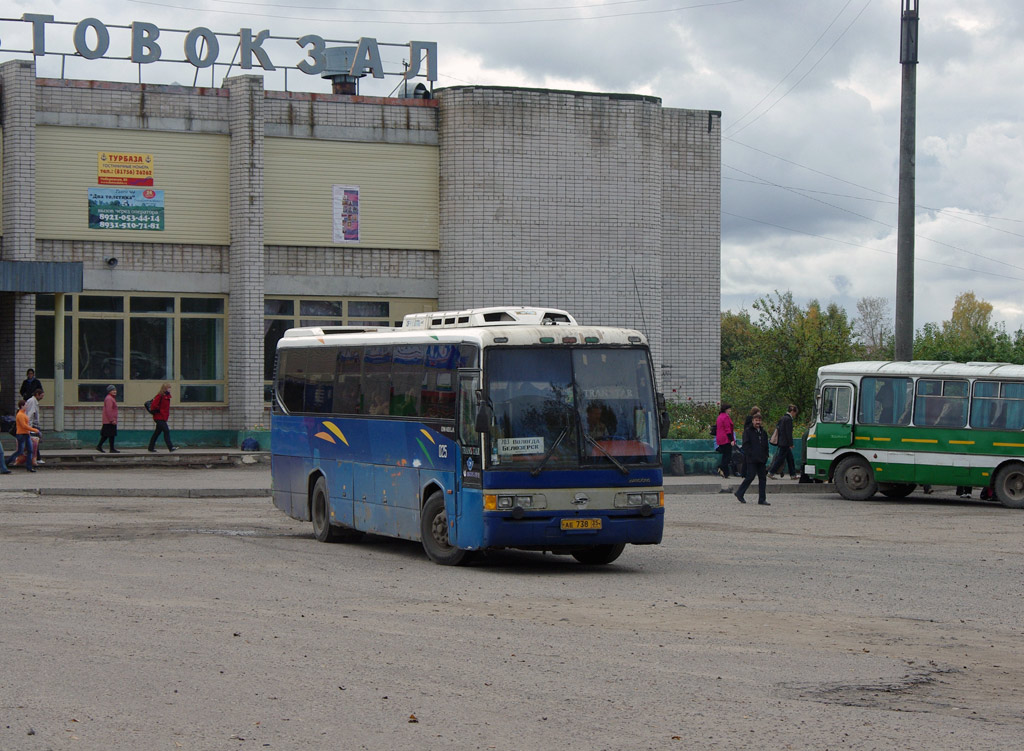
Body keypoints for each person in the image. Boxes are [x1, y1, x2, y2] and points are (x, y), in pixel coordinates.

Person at [735, 412, 770, 505]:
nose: (757, 422)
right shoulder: (748, 431)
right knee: (750, 476)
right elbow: (746, 444)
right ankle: (740, 493)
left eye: (759, 420)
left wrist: (766, 455)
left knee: (763, 478)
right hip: (752, 459)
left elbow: (766, 445)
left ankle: (762, 499)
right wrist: (750, 454)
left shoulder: (763, 432)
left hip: (762, 459)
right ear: (753, 421)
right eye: (756, 420)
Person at [768, 404, 799, 480]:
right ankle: (771, 472)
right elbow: (788, 433)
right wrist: (791, 443)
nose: (795, 415)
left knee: (790, 459)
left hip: (781, 442)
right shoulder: (788, 419)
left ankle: (793, 474)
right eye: (795, 413)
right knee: (780, 459)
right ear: (792, 411)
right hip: (785, 443)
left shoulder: (783, 418)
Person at [10, 400, 39, 473]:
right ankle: (6, 462)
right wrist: (34, 430)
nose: (27, 406)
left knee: (30, 450)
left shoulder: (23, 414)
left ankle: (29, 467)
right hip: (21, 434)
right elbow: (24, 426)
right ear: (22, 406)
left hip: (26, 434)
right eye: (25, 405)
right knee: (20, 451)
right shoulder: (20, 415)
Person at [148, 383, 177, 453]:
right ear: (164, 389)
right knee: (166, 431)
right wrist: (159, 411)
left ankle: (150, 447)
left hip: (163, 417)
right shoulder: (160, 396)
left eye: (170, 388)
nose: (170, 389)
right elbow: (154, 406)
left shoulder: (167, 396)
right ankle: (170, 447)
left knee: (157, 433)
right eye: (168, 388)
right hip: (159, 417)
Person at [96, 385, 120, 453]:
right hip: (109, 421)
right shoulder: (109, 399)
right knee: (109, 435)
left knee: (108, 435)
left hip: (109, 420)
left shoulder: (111, 398)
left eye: (115, 390)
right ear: (109, 391)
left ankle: (102, 446)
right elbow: (109, 410)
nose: (114, 391)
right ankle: (108, 448)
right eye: (112, 390)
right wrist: (112, 420)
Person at [715, 403, 736, 478]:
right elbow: (727, 429)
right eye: (729, 409)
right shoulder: (726, 417)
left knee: (725, 456)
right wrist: (731, 440)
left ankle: (725, 473)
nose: (730, 410)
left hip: (720, 439)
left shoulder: (719, 416)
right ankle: (721, 467)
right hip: (726, 439)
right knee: (728, 456)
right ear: (726, 410)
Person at [24, 387, 43, 465]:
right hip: (32, 426)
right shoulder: (32, 401)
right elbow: (30, 414)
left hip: (33, 425)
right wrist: (29, 427)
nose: (42, 397)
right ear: (37, 394)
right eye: (41, 396)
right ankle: (36, 458)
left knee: (35, 442)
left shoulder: (33, 401)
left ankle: (37, 458)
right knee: (35, 442)